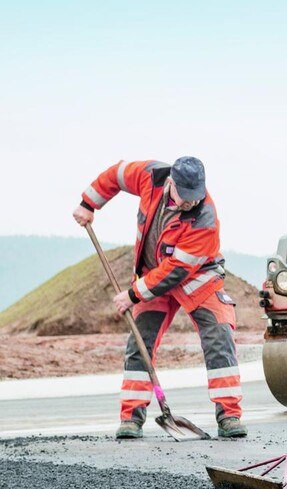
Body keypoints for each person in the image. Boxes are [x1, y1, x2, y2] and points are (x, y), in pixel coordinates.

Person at [71, 157, 245, 440]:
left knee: (219, 334)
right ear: (171, 183)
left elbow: (177, 270)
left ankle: (229, 415)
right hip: (153, 274)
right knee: (140, 340)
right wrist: (89, 204)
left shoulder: (206, 218)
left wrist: (132, 294)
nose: (190, 203)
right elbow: (115, 174)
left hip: (196, 278)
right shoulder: (149, 176)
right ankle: (131, 418)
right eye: (185, 197)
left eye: (195, 197)